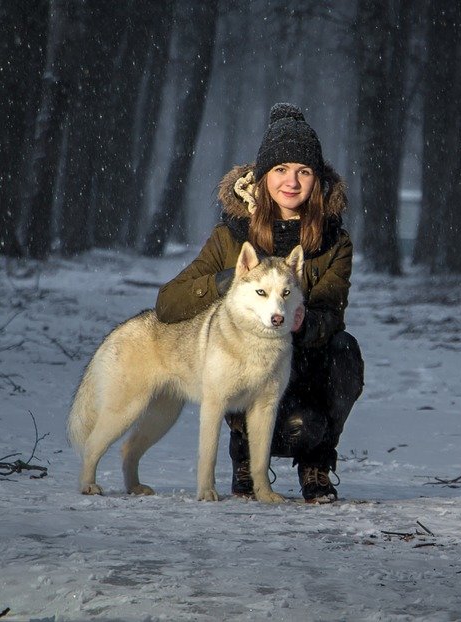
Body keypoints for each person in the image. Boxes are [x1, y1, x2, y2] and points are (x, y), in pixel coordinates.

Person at [155, 103, 364, 503]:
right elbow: (168, 303)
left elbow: (332, 315)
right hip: (241, 367)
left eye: (304, 171)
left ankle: (316, 463)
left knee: (344, 353)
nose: (292, 181)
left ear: (317, 180)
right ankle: (244, 451)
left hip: (304, 365)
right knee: (249, 380)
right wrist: (225, 282)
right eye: (281, 169)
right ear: (264, 176)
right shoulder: (231, 237)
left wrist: (304, 321)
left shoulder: (334, 242)